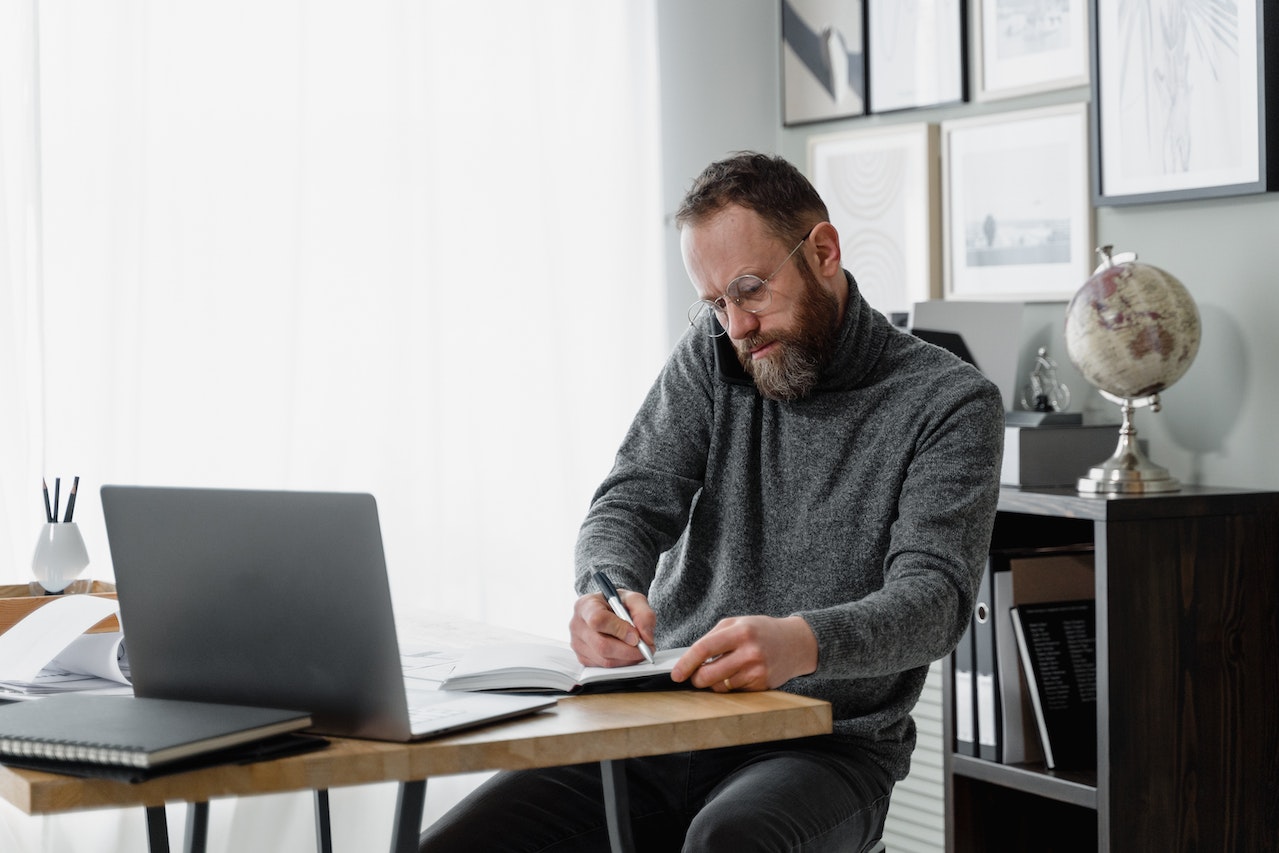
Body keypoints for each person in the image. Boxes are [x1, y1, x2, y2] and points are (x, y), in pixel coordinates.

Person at [420, 152, 1004, 852]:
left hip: (822, 745)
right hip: (663, 720)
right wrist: (603, 588)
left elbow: (933, 601)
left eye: (750, 289)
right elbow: (629, 501)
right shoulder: (714, 352)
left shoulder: (948, 401)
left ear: (822, 251)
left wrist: (799, 642)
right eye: (715, 302)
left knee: (729, 841)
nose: (736, 325)